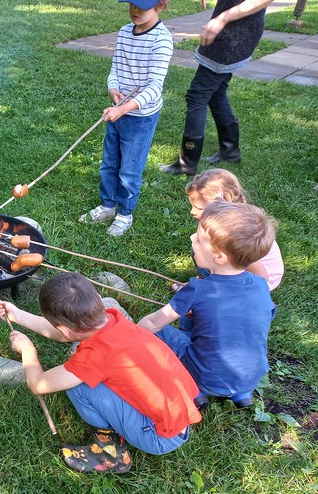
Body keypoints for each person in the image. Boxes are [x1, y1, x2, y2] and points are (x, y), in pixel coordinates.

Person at [0, 272, 201, 474]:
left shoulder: (96, 356)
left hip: (160, 437)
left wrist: (27, 350)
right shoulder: (113, 320)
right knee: (84, 374)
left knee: (78, 387)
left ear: (66, 330)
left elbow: (38, 384)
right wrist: (18, 315)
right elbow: (65, 335)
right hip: (179, 419)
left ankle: (111, 453)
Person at [139, 202, 276, 410]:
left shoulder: (197, 289)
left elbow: (153, 322)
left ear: (219, 257)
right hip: (250, 376)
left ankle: (193, 388)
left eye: (200, 240)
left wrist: (131, 332)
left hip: (207, 377)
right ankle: (241, 394)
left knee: (159, 333)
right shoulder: (260, 285)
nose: (193, 239)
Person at [78, 0, 173, 237]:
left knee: (129, 170)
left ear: (160, 6)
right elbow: (115, 71)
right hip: (118, 109)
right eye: (131, 4)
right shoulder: (123, 32)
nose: (134, 10)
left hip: (140, 117)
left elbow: (154, 88)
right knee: (109, 164)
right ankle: (108, 206)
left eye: (141, 6)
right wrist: (113, 91)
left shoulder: (161, 40)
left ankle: (124, 214)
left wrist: (124, 108)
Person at [160, 0, 275, 177]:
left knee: (197, 95)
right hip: (237, 30)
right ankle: (230, 151)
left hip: (235, 33)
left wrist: (222, 18)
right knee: (217, 91)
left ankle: (187, 163)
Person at [185, 168, 283, 290]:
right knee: (201, 247)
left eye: (198, 208)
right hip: (244, 268)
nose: (192, 212)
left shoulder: (238, 235)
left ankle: (207, 289)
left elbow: (262, 277)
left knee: (202, 250)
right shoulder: (227, 222)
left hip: (260, 281)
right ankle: (200, 284)